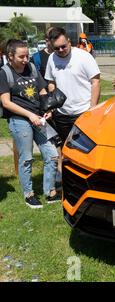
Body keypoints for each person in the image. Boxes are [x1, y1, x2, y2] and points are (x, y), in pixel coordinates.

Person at [0, 39, 60, 209]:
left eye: (27, 55)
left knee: (52, 155)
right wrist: (29, 115)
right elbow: (6, 103)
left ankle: (50, 192)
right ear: (10, 56)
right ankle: (29, 194)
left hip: (39, 118)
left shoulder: (32, 68)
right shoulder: (4, 73)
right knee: (26, 158)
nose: (26, 59)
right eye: (21, 56)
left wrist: (47, 108)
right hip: (20, 120)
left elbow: (42, 91)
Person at [45, 27, 101, 144]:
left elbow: (95, 82)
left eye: (63, 46)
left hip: (83, 112)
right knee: (66, 147)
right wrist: (53, 106)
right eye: (56, 48)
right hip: (62, 114)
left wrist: (92, 108)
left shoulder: (84, 56)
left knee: (85, 147)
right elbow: (51, 82)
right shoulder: (51, 58)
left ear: (69, 41)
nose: (60, 50)